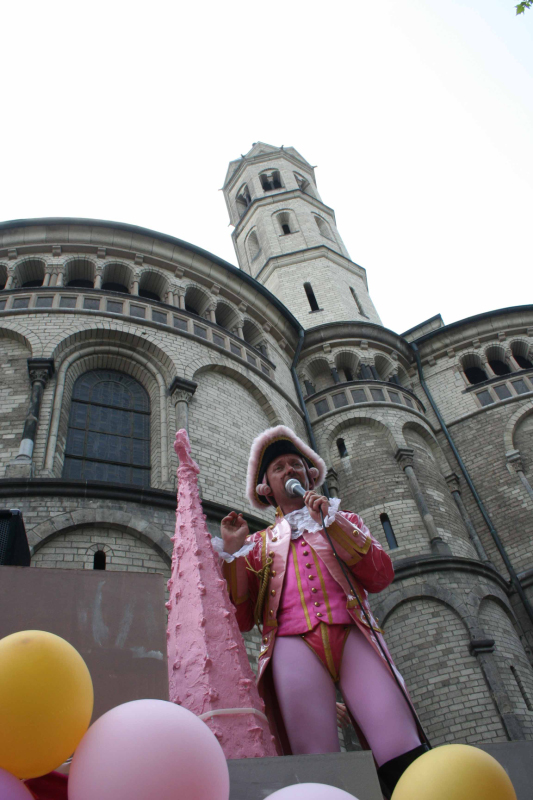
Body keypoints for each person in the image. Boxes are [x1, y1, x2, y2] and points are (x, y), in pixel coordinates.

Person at [213, 425, 427, 798]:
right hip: (291, 646)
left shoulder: (343, 520)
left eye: (296, 464)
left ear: (312, 475)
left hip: (353, 634)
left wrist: (334, 522)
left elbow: (379, 575)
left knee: (396, 741)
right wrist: (232, 553)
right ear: (265, 488)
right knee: (315, 759)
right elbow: (243, 619)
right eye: (279, 467)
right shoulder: (257, 545)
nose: (290, 470)